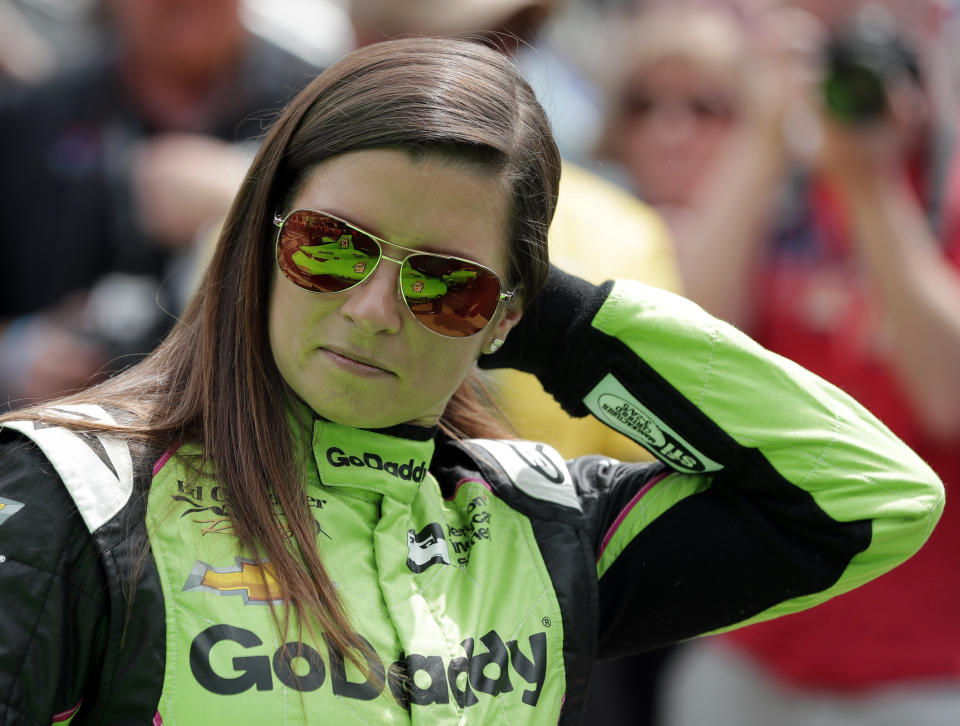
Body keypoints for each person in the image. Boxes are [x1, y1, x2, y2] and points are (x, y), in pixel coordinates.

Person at [0, 38, 944, 725]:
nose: (374, 308)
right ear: (260, 240)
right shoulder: (78, 492)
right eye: (329, 247)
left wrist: (569, 323)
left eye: (445, 284)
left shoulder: (543, 531)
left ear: (504, 316)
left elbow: (872, 496)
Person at [655, 2, 960, 724]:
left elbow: (947, 397)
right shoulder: (769, 188)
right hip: (750, 637)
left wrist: (870, 185)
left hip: (917, 663)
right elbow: (685, 348)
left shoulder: (939, 196)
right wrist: (763, 136)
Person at [0, 0, 318, 408]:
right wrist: (18, 353)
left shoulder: (317, 102)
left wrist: (240, 193)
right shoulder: (31, 121)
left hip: (258, 421)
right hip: (70, 430)